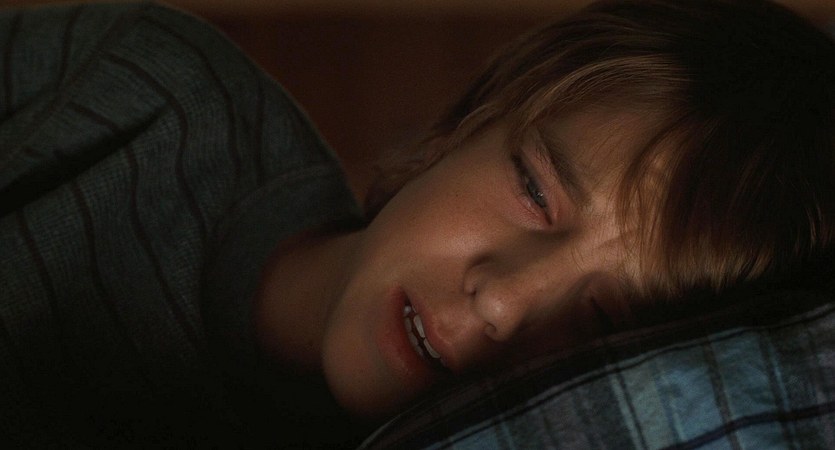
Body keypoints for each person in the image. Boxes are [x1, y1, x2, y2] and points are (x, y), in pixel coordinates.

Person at [1, 0, 833, 448]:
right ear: (462, 128)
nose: (502, 302)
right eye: (534, 191)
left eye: (600, 321)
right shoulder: (148, 84)